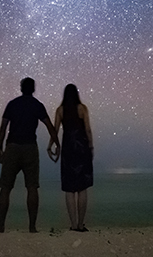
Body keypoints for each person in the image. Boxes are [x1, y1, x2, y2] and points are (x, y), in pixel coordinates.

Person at [0, 77, 60, 233]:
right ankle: (32, 227)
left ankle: (0, 227)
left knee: (5, 187)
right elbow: (50, 126)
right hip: (30, 148)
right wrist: (57, 144)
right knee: (32, 187)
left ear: (21, 88)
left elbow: (3, 127)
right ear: (33, 89)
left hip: (12, 147)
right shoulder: (37, 105)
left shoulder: (12, 104)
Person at [50, 83, 94, 232]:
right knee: (82, 188)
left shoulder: (60, 110)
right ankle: (81, 225)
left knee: (69, 188)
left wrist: (52, 145)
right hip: (82, 148)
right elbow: (87, 129)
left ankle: (73, 225)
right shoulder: (82, 108)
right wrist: (91, 147)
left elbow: (55, 131)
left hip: (68, 148)